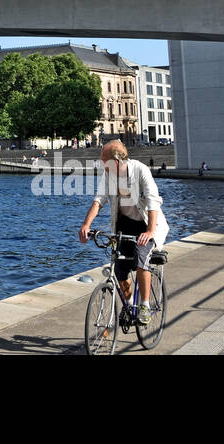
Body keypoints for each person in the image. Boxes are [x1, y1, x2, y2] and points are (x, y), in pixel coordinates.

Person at [79, 140, 169, 327]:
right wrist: (86, 225)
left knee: (141, 256)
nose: (102, 164)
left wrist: (150, 231)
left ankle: (144, 305)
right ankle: (129, 306)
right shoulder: (109, 175)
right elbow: (99, 200)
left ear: (117, 161)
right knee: (120, 267)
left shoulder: (140, 170)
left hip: (146, 223)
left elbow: (153, 201)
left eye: (104, 161)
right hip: (125, 225)